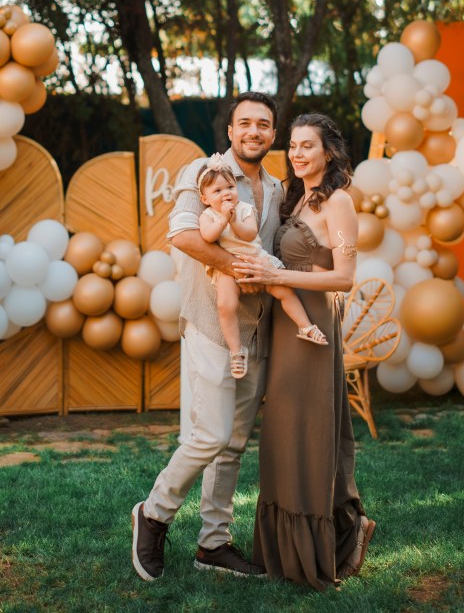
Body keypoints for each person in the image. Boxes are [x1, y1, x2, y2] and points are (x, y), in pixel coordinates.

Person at [131, 92, 283, 582]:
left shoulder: (277, 188)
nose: (254, 131)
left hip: (257, 331)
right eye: (245, 123)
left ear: (273, 133)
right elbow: (182, 235)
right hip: (211, 323)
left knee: (233, 444)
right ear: (230, 131)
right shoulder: (203, 172)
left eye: (263, 124)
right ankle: (154, 513)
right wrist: (240, 270)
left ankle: (213, 543)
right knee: (210, 435)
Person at [233, 112, 376, 591]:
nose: (296, 153)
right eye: (292, 145)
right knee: (283, 433)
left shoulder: (339, 202)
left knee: (310, 434)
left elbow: (344, 278)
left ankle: (338, 537)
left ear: (328, 152)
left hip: (314, 327)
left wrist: (276, 276)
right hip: (285, 325)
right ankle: (290, 551)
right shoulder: (294, 197)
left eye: (306, 146)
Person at [197, 156, 328, 379]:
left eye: (230, 187)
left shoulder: (245, 209)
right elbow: (208, 237)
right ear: (205, 199)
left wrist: (233, 220)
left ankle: (305, 326)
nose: (226, 194)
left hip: (255, 259)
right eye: (217, 191)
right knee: (225, 305)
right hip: (229, 266)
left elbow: (249, 234)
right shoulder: (207, 216)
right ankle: (236, 351)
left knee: (284, 291)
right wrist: (222, 220)